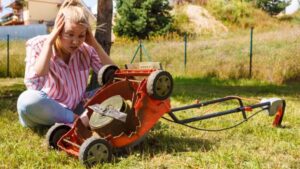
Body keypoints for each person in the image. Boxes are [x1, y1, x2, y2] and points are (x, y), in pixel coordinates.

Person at [17, 0, 114, 128]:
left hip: (77, 107)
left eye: (81, 35)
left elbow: (114, 76)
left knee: (115, 90)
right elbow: (33, 85)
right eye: (70, 34)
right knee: (27, 100)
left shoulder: (86, 49)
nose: (75, 41)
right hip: (46, 110)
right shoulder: (38, 45)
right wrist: (49, 44)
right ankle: (78, 121)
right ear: (58, 30)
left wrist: (94, 44)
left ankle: (74, 122)